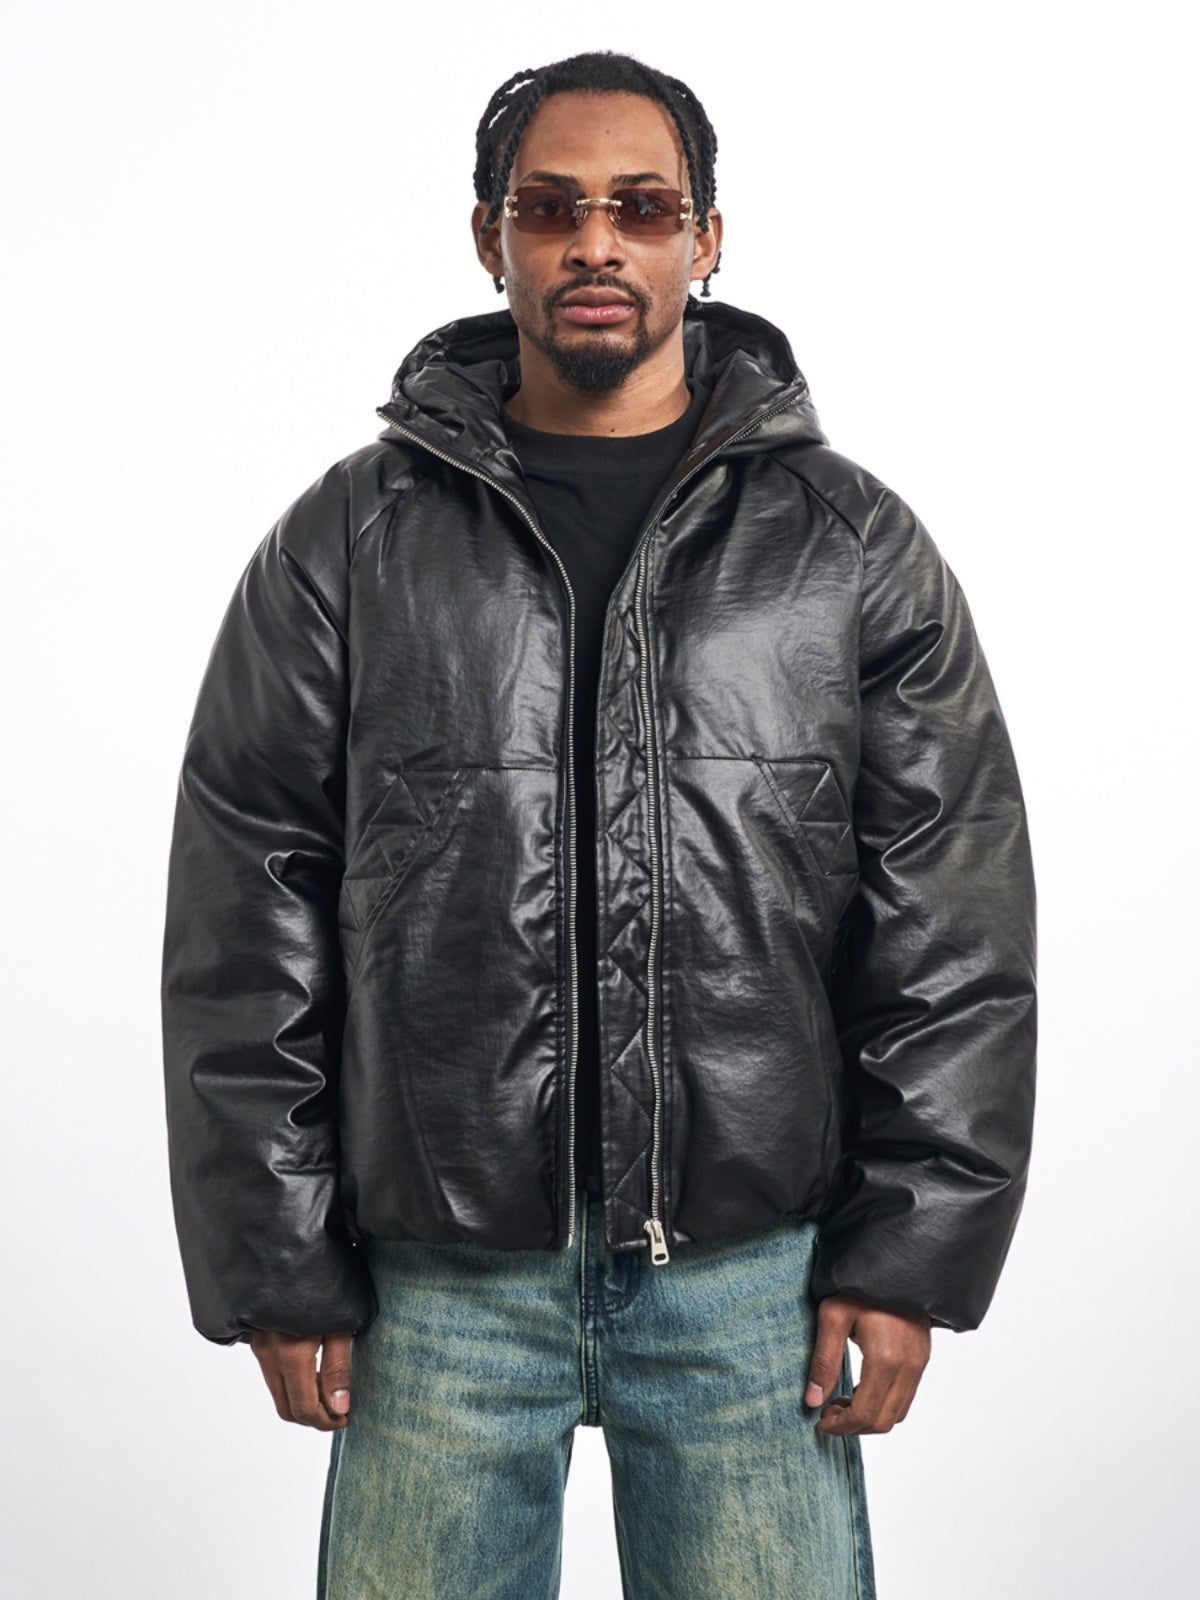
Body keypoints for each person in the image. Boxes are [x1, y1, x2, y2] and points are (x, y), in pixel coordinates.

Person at [161, 49, 1037, 1599]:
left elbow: (950, 920)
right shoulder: (349, 541)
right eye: (551, 208)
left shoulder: (848, 546)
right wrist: (275, 1260)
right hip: (436, 1284)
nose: (595, 244)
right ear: (488, 236)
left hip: (752, 1283)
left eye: (641, 208)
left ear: (707, 239)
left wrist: (910, 1255)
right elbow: (249, 909)